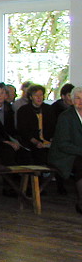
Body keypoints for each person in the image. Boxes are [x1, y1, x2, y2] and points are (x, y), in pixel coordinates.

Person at [49, 86, 82, 214]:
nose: (81, 102)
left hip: (78, 153)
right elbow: (63, 144)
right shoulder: (66, 117)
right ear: (72, 100)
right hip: (63, 155)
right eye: (77, 98)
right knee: (81, 164)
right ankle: (81, 202)